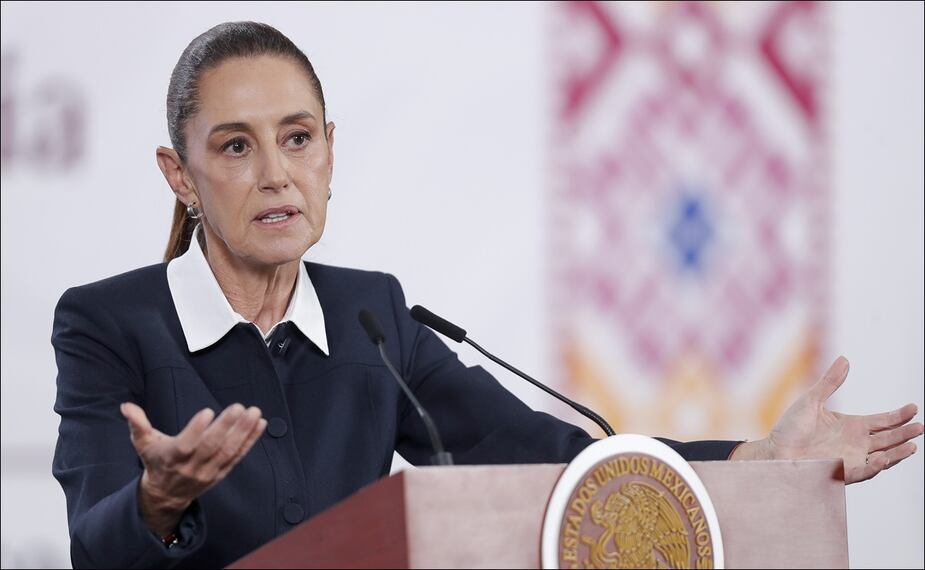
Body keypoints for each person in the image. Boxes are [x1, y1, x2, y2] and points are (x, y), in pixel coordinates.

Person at [51, 21, 923, 569]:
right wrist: (156, 501)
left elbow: (540, 454)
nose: (277, 174)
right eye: (235, 148)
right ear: (181, 174)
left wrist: (762, 459)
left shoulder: (373, 317)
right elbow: (94, 543)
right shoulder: (109, 324)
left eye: (297, 138)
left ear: (328, 151)